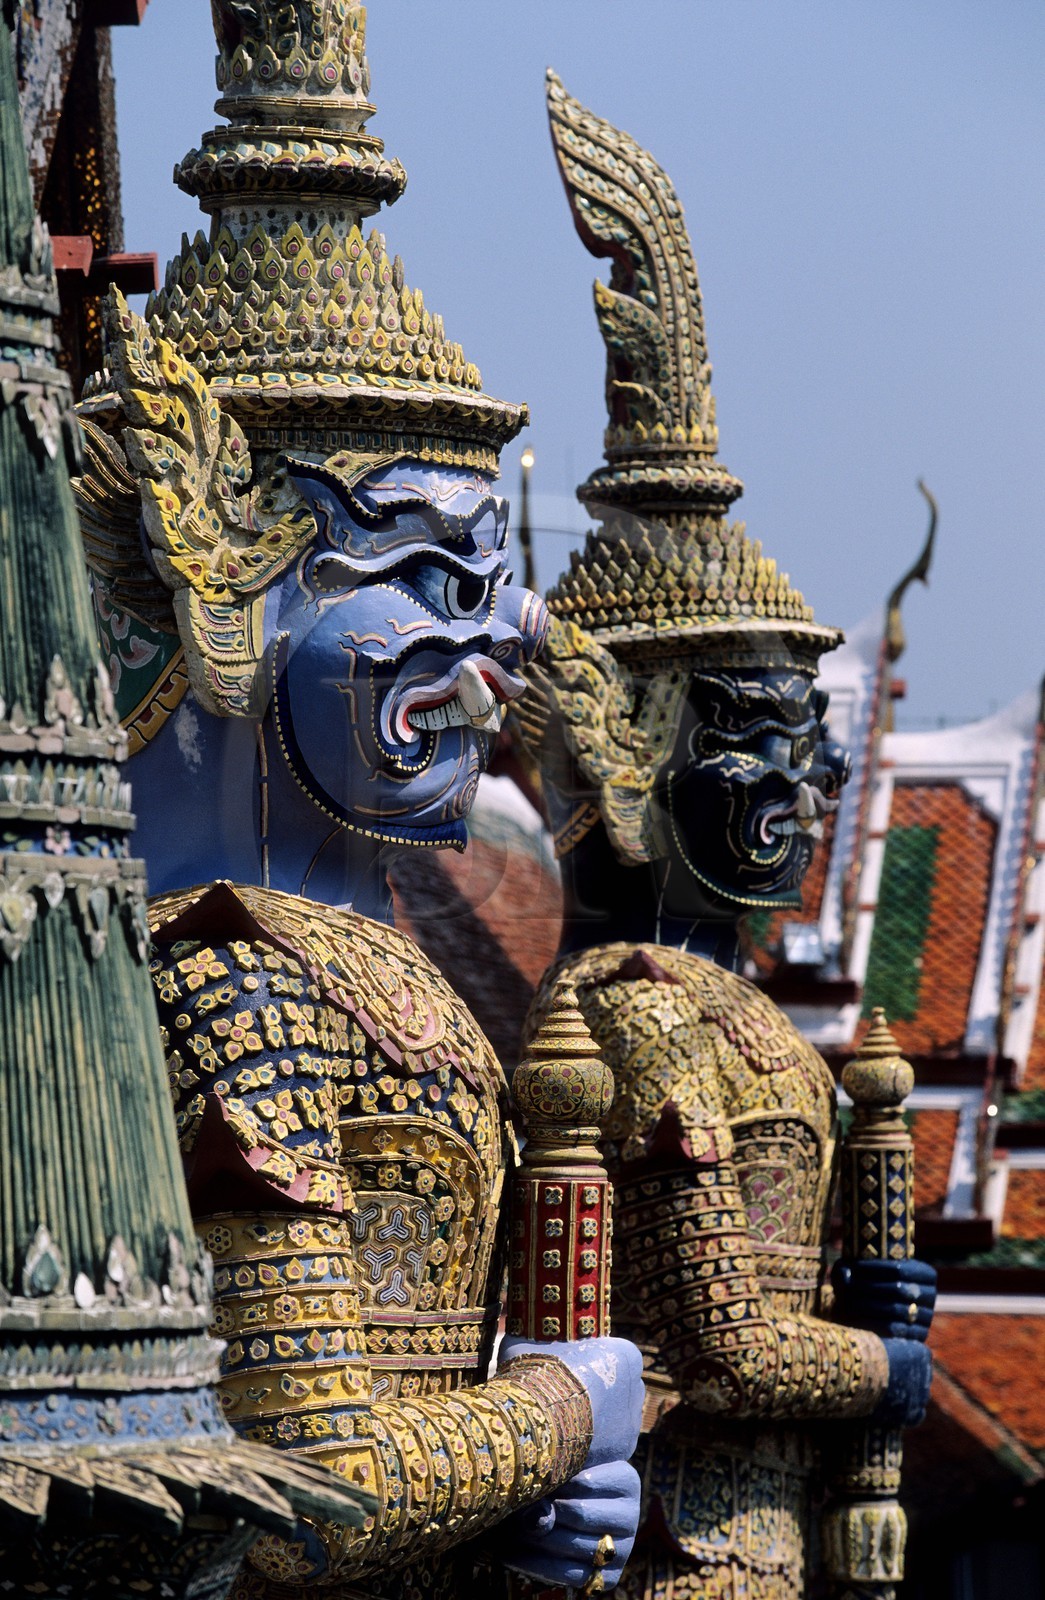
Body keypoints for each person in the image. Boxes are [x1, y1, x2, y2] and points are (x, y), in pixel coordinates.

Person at [76, 11, 642, 1596]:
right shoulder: (222, 973)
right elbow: (310, 1488)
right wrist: (568, 1411)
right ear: (221, 582)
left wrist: (529, 1494)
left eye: (497, 591)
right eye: (424, 581)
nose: (497, 658)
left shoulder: (347, 965)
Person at [516, 74, 935, 1600]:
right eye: (748, 741)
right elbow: (717, 1339)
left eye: (803, 746)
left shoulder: (730, 1016)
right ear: (631, 753)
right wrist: (889, 1369)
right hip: (688, 1551)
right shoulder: (637, 1017)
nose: (797, 788)